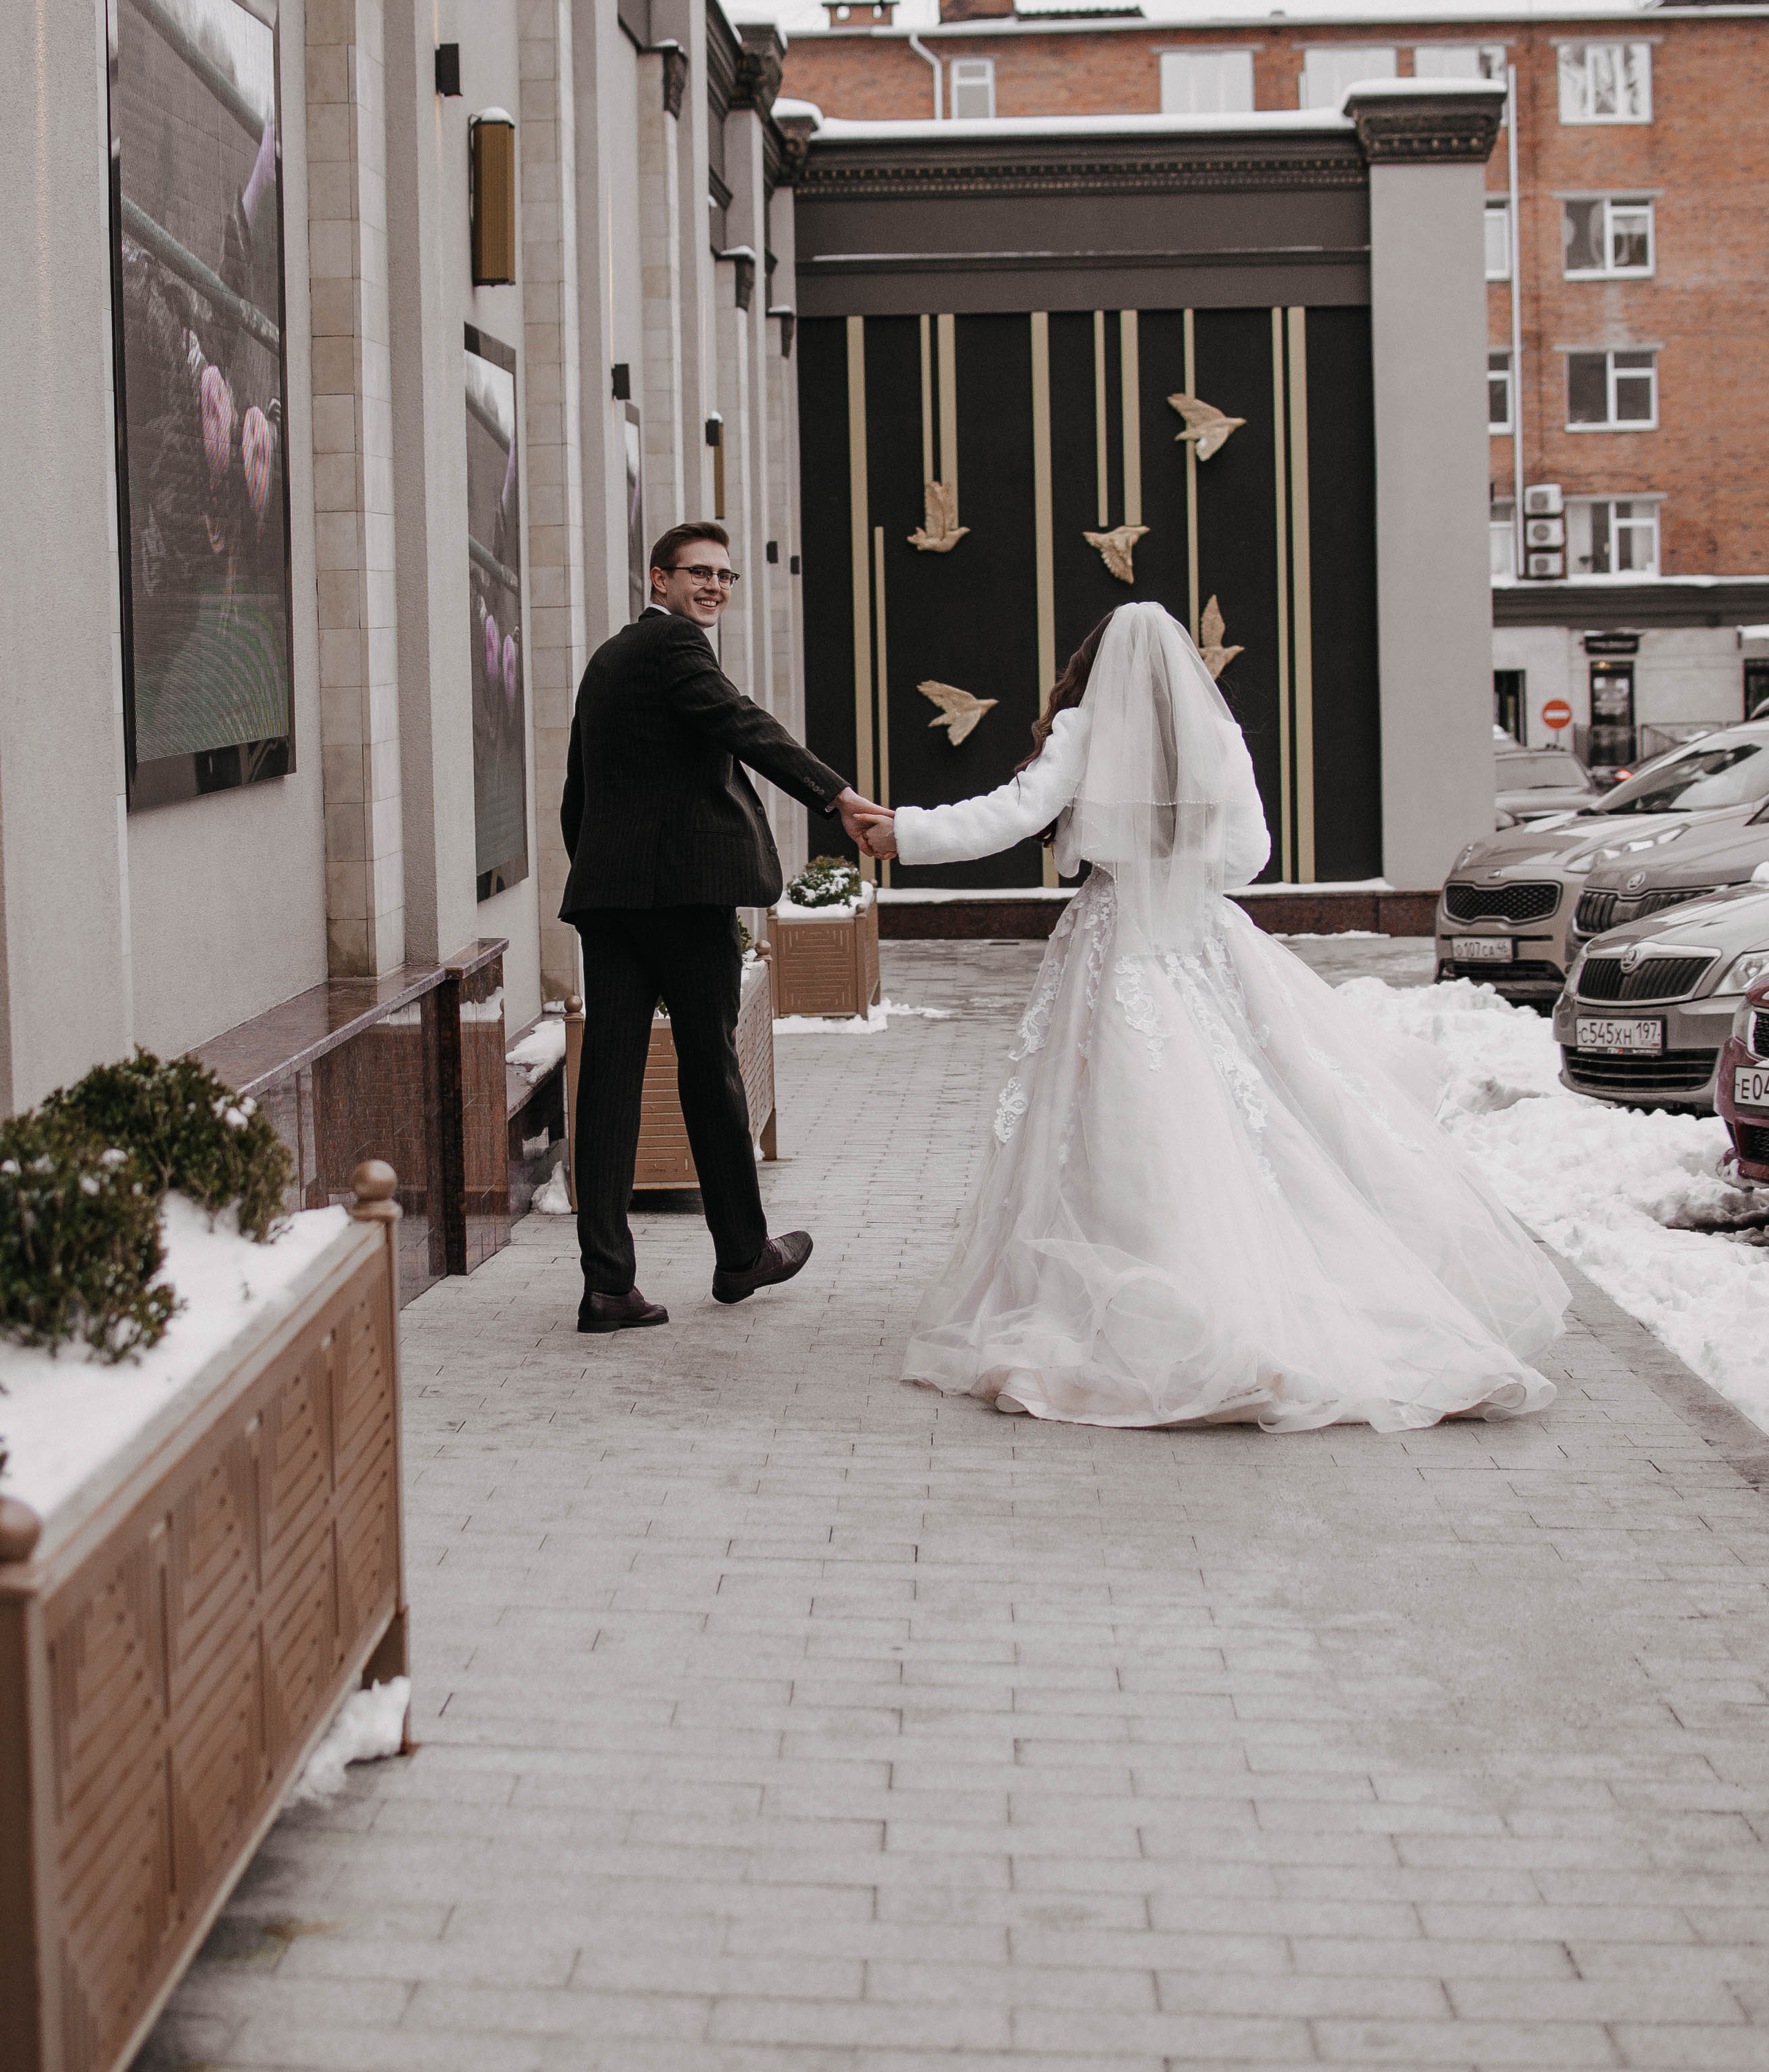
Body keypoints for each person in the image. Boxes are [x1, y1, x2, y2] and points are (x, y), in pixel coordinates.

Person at [862, 601, 1568, 1431]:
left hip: (1115, 937)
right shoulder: (1217, 739)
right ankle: (1269, 1287)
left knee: (1116, 1120)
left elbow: (1010, 814)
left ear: (1094, 665)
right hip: (1202, 938)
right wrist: (1185, 856)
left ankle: (1141, 1289)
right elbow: (1249, 858)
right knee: (1252, 1114)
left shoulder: (1083, 731)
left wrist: (902, 833)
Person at [560, 522, 889, 1334]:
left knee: (608, 1079)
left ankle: (607, 1284)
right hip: (681, 897)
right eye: (698, 573)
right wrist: (835, 797)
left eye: (725, 576)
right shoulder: (676, 652)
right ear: (658, 579)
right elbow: (746, 725)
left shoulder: (606, 661)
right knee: (709, 1067)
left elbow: (578, 794)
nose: (714, 587)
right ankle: (742, 1253)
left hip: (611, 899)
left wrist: (608, 872)